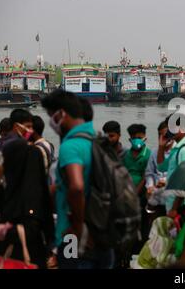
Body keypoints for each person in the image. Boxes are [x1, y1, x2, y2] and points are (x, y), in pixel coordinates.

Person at [41, 89, 115, 269]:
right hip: (104, 236)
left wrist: (76, 229)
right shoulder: (98, 141)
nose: (51, 122)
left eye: (51, 116)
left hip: (74, 241)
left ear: (62, 114)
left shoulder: (71, 146)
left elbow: (76, 187)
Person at [0, 138, 54, 268]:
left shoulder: (30, 195)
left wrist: (3, 231)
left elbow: (31, 230)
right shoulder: (14, 187)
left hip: (23, 257)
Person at [157, 114, 185, 217]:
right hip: (172, 201)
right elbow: (161, 167)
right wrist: (161, 147)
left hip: (180, 206)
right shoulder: (176, 148)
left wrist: (174, 209)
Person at [123, 124, 151, 246]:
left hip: (141, 194)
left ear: (145, 137)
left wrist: (136, 192)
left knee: (143, 221)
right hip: (126, 193)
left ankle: (141, 246)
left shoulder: (148, 154)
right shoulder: (126, 155)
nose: (136, 139)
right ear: (129, 138)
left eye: (139, 137)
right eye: (134, 137)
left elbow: (146, 176)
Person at [144, 121, 170, 235]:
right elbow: (149, 173)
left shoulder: (178, 152)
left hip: (171, 201)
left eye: (164, 135)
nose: (161, 138)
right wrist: (149, 186)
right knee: (155, 232)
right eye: (159, 135)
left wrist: (166, 181)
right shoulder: (154, 153)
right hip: (156, 199)